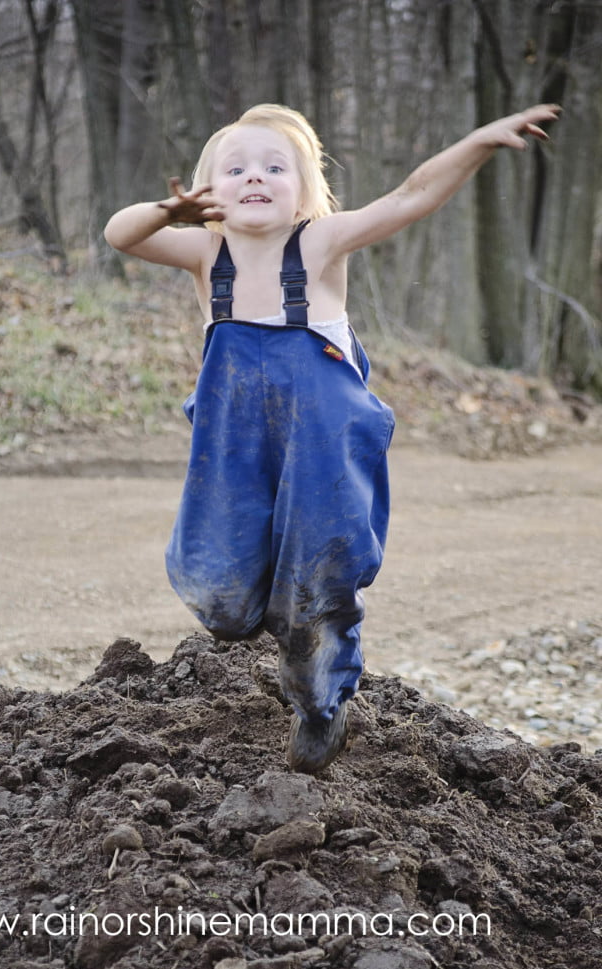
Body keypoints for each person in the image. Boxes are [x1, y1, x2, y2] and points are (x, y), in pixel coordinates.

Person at [104, 101, 560, 774]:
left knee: (314, 589)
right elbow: (120, 234)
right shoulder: (203, 251)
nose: (254, 177)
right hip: (234, 442)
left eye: (274, 167)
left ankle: (321, 706)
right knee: (220, 599)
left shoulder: (317, 244)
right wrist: (164, 214)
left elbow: (413, 195)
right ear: (208, 193)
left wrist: (480, 143)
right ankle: (261, 608)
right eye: (235, 168)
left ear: (307, 191)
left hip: (322, 444)